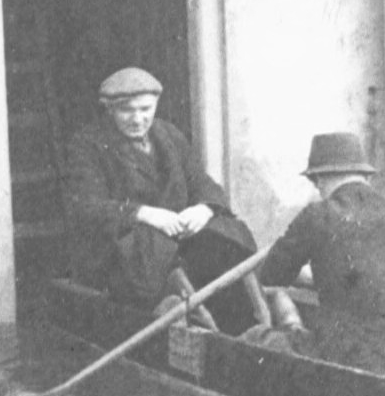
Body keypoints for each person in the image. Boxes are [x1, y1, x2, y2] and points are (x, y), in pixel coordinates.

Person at [63, 67, 265, 335]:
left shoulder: (169, 136)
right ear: (109, 109)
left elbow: (202, 182)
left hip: (175, 243)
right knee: (152, 246)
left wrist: (203, 209)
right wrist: (143, 213)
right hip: (120, 251)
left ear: (156, 105)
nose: (138, 118)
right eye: (127, 110)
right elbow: (86, 207)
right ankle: (209, 328)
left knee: (227, 230)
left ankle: (260, 318)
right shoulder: (88, 145)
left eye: (145, 109)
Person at [261, 132, 385, 376]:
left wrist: (307, 277)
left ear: (319, 179)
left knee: (261, 340)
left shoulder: (318, 216)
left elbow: (272, 274)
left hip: (356, 359)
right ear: (365, 176)